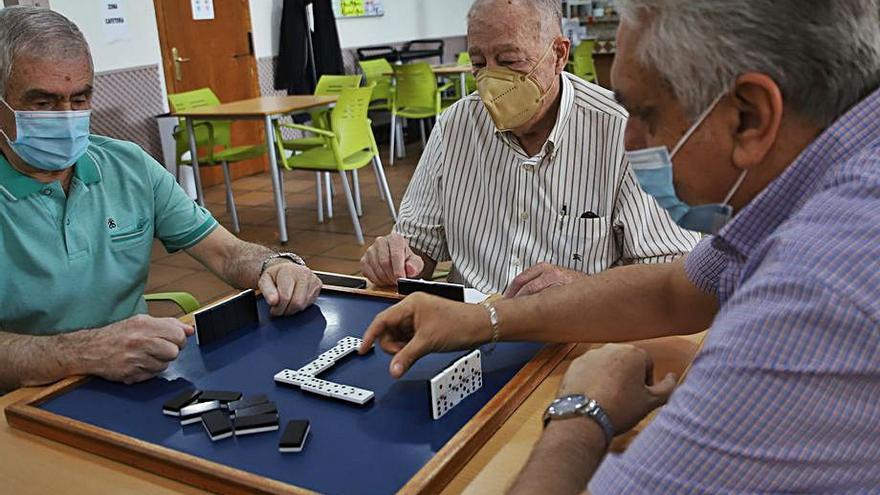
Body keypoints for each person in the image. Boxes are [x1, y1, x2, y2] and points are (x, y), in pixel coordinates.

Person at [359, 0, 880, 492]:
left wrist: (583, 412)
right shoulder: (816, 189)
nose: (629, 141)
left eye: (646, 114)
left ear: (749, 117)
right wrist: (485, 320)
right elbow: (674, 290)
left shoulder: (820, 287)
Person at [0, 7, 322, 391]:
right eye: (43, 103)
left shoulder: (128, 165)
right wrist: (80, 352)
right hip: (23, 403)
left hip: (135, 381)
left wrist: (276, 265)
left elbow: (226, 252)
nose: (67, 117)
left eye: (80, 98)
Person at [360, 0, 699, 296]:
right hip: (468, 328)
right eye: (478, 63)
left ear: (559, 54)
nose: (491, 82)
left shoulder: (622, 131)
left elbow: (670, 274)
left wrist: (583, 288)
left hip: (575, 332)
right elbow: (419, 245)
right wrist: (397, 259)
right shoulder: (455, 126)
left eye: (509, 61)